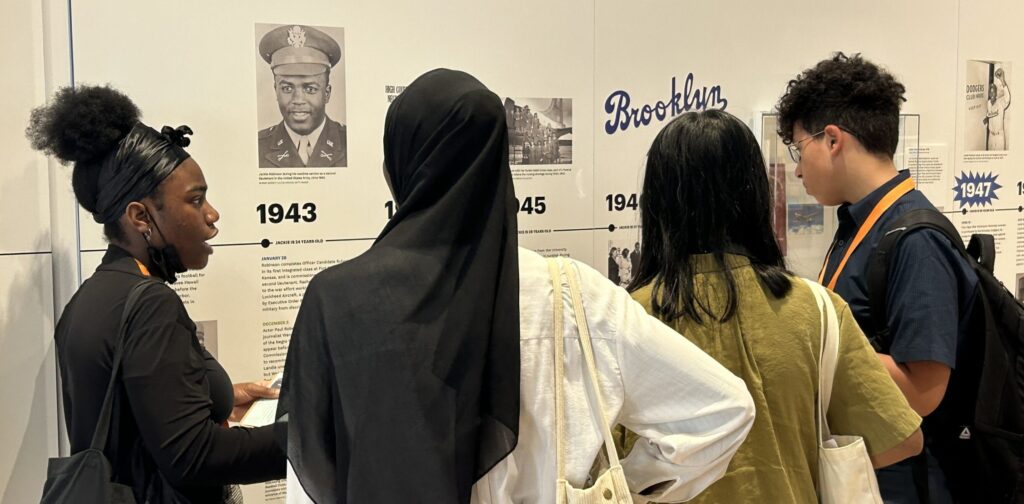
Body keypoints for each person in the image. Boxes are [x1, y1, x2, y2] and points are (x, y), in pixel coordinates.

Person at [279, 68, 755, 504]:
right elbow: (722, 411)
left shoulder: (335, 301)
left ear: (400, 164)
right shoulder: (571, 294)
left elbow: (312, 479)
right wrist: (621, 491)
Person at [620, 109, 924, 503]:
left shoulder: (626, 320)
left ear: (657, 202)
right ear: (754, 195)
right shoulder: (817, 310)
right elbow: (900, 441)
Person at [27, 85, 286, 503]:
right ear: (140, 216)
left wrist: (219, 398)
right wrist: (307, 435)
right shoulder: (149, 303)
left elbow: (140, 423)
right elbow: (194, 458)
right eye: (195, 200)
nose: (212, 214)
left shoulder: (89, 299)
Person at [776, 53, 978, 503]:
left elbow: (923, 390)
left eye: (798, 147)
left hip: (906, 484)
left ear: (832, 140)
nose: (797, 168)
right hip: (864, 474)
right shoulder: (861, 225)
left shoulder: (916, 240)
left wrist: (810, 347)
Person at [258, 24, 347, 168]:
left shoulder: (348, 143)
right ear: (276, 91)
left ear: (327, 93)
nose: (298, 100)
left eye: (310, 89)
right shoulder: (258, 146)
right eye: (287, 88)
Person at [984, 69, 1011, 151]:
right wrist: (987, 118)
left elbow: (1007, 98)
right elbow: (991, 114)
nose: (992, 94)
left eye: (993, 92)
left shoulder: (1001, 102)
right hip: (991, 137)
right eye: (990, 92)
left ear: (996, 94)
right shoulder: (988, 103)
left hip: (999, 138)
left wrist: (1002, 80)